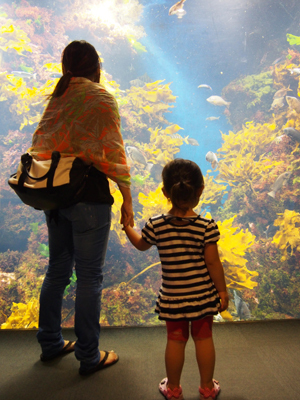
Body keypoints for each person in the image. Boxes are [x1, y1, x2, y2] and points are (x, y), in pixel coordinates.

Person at [29, 40, 133, 375]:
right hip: (88, 197)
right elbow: (114, 152)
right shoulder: (100, 97)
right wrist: (127, 200)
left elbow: (39, 146)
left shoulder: (58, 96)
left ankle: (51, 343)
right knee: (89, 277)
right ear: (96, 66)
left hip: (56, 198)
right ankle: (89, 356)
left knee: (57, 270)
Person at [123, 159, 228, 400]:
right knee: (203, 338)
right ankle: (207, 388)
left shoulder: (156, 225)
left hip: (173, 296)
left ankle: (172, 389)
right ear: (201, 190)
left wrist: (128, 226)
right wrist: (222, 293)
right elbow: (213, 263)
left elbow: (140, 245)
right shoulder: (206, 227)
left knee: (175, 340)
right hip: (202, 296)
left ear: (165, 192)